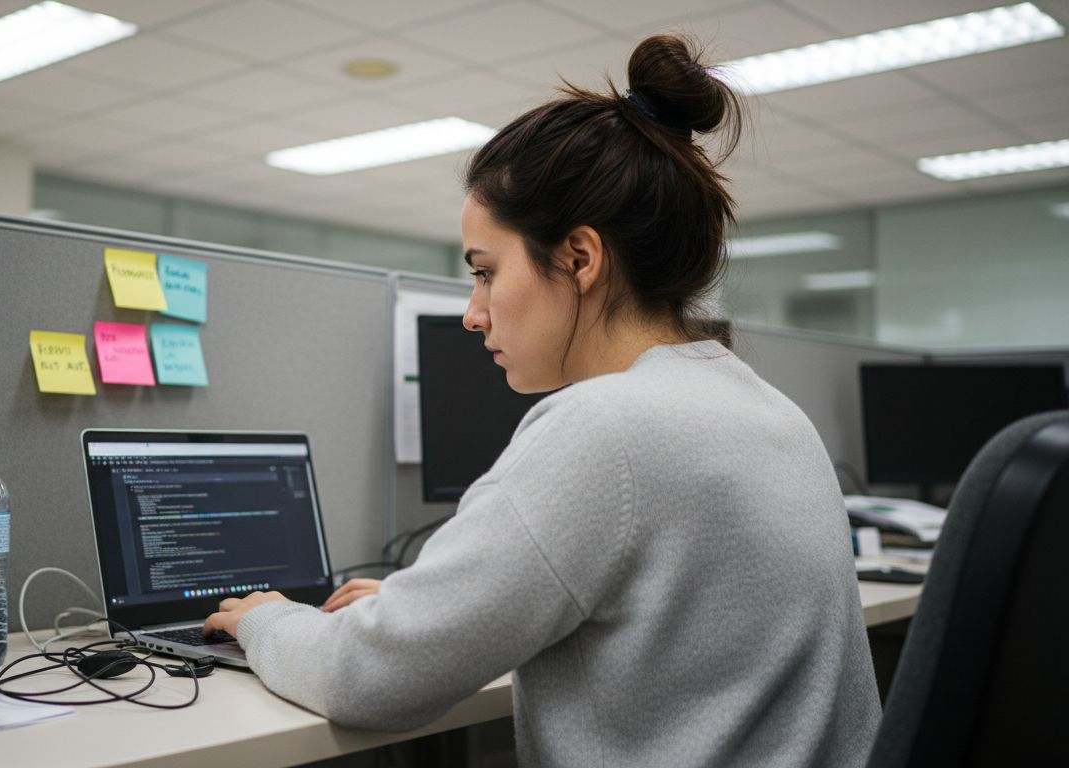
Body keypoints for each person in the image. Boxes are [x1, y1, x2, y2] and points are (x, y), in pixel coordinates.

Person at [204, 33, 881, 767]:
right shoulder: (771, 412)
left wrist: (267, 621)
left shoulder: (604, 427)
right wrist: (415, 612)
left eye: (487, 272)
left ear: (580, 258)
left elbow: (368, 680)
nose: (473, 311)